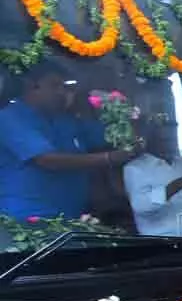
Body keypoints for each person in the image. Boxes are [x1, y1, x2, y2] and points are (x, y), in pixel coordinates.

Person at [0, 61, 135, 221]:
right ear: (32, 86)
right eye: (55, 86)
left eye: (64, 87)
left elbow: (110, 138)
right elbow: (48, 160)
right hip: (27, 220)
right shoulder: (10, 117)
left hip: (71, 219)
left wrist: (111, 108)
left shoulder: (66, 120)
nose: (61, 92)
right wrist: (108, 158)